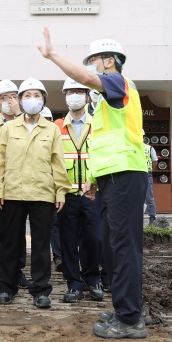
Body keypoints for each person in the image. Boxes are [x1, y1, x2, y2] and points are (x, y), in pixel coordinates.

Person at [38, 28, 149, 339]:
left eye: (94, 61)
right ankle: (130, 306)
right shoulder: (107, 101)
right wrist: (96, 180)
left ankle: (130, 319)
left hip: (126, 175)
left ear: (110, 61)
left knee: (123, 247)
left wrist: (53, 55)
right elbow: (109, 143)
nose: (91, 68)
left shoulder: (118, 82)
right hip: (114, 177)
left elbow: (86, 79)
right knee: (115, 248)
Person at [0, 78, 71, 309]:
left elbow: (58, 162)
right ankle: (7, 287)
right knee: (11, 244)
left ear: (43, 100)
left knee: (41, 245)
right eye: (27, 95)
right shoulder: (8, 128)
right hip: (13, 193)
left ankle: (41, 290)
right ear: (20, 101)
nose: (31, 99)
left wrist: (61, 192)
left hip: (43, 194)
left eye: (36, 95)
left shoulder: (51, 129)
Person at [55, 78, 104, 304]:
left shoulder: (98, 124)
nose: (74, 95)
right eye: (70, 92)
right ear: (64, 96)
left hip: (91, 194)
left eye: (78, 91)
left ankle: (92, 279)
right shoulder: (55, 127)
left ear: (86, 96)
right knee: (68, 240)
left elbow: (102, 157)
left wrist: (96, 186)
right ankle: (74, 284)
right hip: (66, 195)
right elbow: (52, 162)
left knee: (93, 239)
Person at [0, 80, 29, 291]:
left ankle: (17, 271)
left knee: (19, 232)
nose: (10, 101)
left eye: (13, 97)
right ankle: (0, 274)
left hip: (23, 186)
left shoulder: (28, 122)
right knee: (0, 232)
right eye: (4, 97)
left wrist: (21, 115)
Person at [43, 106, 63, 272]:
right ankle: (57, 257)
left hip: (59, 190)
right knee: (51, 226)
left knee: (59, 225)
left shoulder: (58, 138)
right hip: (42, 191)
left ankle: (61, 257)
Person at [143, 131, 158, 225]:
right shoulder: (132, 148)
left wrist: (150, 169)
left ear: (144, 137)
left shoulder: (149, 148)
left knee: (149, 197)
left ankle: (152, 217)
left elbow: (155, 161)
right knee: (136, 197)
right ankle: (137, 217)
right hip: (136, 175)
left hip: (147, 174)